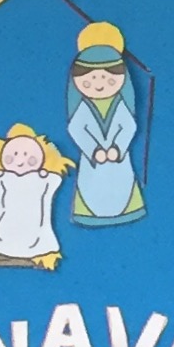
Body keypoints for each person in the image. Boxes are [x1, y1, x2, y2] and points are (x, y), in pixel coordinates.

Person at [64, 23, 145, 228]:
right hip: (93, 161)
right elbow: (77, 129)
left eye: (107, 79)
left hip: (118, 159)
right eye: (91, 80)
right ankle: (90, 213)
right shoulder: (82, 108)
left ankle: (127, 210)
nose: (99, 84)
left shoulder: (121, 105)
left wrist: (118, 147)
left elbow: (128, 126)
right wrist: (94, 150)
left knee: (122, 185)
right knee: (91, 189)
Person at [0, 125, 70, 269]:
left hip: (34, 240)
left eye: (28, 156)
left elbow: (54, 182)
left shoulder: (45, 180)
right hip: (1, 236)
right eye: (14, 155)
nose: (20, 161)